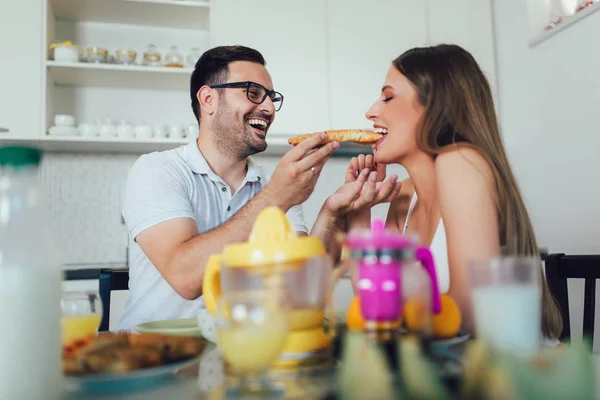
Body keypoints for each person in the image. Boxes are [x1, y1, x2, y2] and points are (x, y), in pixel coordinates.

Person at [118, 45, 400, 330]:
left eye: (271, 98)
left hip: (246, 351)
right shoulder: (157, 170)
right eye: (253, 93)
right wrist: (277, 197)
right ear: (208, 99)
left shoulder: (272, 184)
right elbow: (185, 277)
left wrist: (334, 211)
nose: (267, 108)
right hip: (157, 356)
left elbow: (305, 284)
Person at [344, 44, 562, 340]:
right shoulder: (403, 199)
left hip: (505, 372)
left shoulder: (461, 161)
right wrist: (359, 207)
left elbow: (469, 315)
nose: (371, 111)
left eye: (387, 97)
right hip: (452, 367)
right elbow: (375, 305)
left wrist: (402, 318)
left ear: (434, 106)